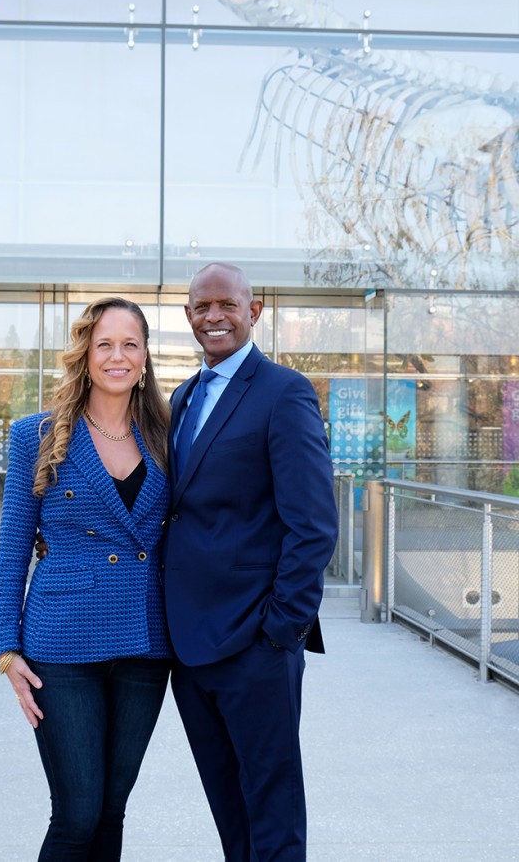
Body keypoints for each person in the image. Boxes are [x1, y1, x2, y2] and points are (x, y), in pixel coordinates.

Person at [163, 262, 338, 861]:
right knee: (228, 807)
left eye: (227, 305)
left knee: (272, 807)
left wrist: (279, 631)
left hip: (255, 646)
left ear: (254, 312)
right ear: (188, 316)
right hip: (189, 649)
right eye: (201, 307)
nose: (214, 317)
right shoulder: (183, 396)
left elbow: (312, 525)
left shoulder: (284, 391)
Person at [0, 297, 172, 862]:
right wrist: (5, 647)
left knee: (112, 809)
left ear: (144, 357)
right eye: (105, 344)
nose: (118, 356)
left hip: (146, 644)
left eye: (130, 344)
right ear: (86, 355)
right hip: (62, 644)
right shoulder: (37, 436)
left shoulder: (168, 435)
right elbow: (12, 548)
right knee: (77, 813)